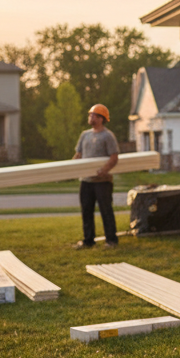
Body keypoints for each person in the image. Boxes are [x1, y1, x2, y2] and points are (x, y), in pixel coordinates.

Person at [73, 103, 120, 249]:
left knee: (106, 210)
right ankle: (88, 240)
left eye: (94, 115)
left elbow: (114, 157)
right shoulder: (84, 135)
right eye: (90, 115)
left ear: (102, 118)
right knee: (86, 211)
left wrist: (104, 170)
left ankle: (111, 240)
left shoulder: (108, 136)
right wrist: (69, 169)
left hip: (102, 181)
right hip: (86, 181)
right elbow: (78, 155)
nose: (91, 117)